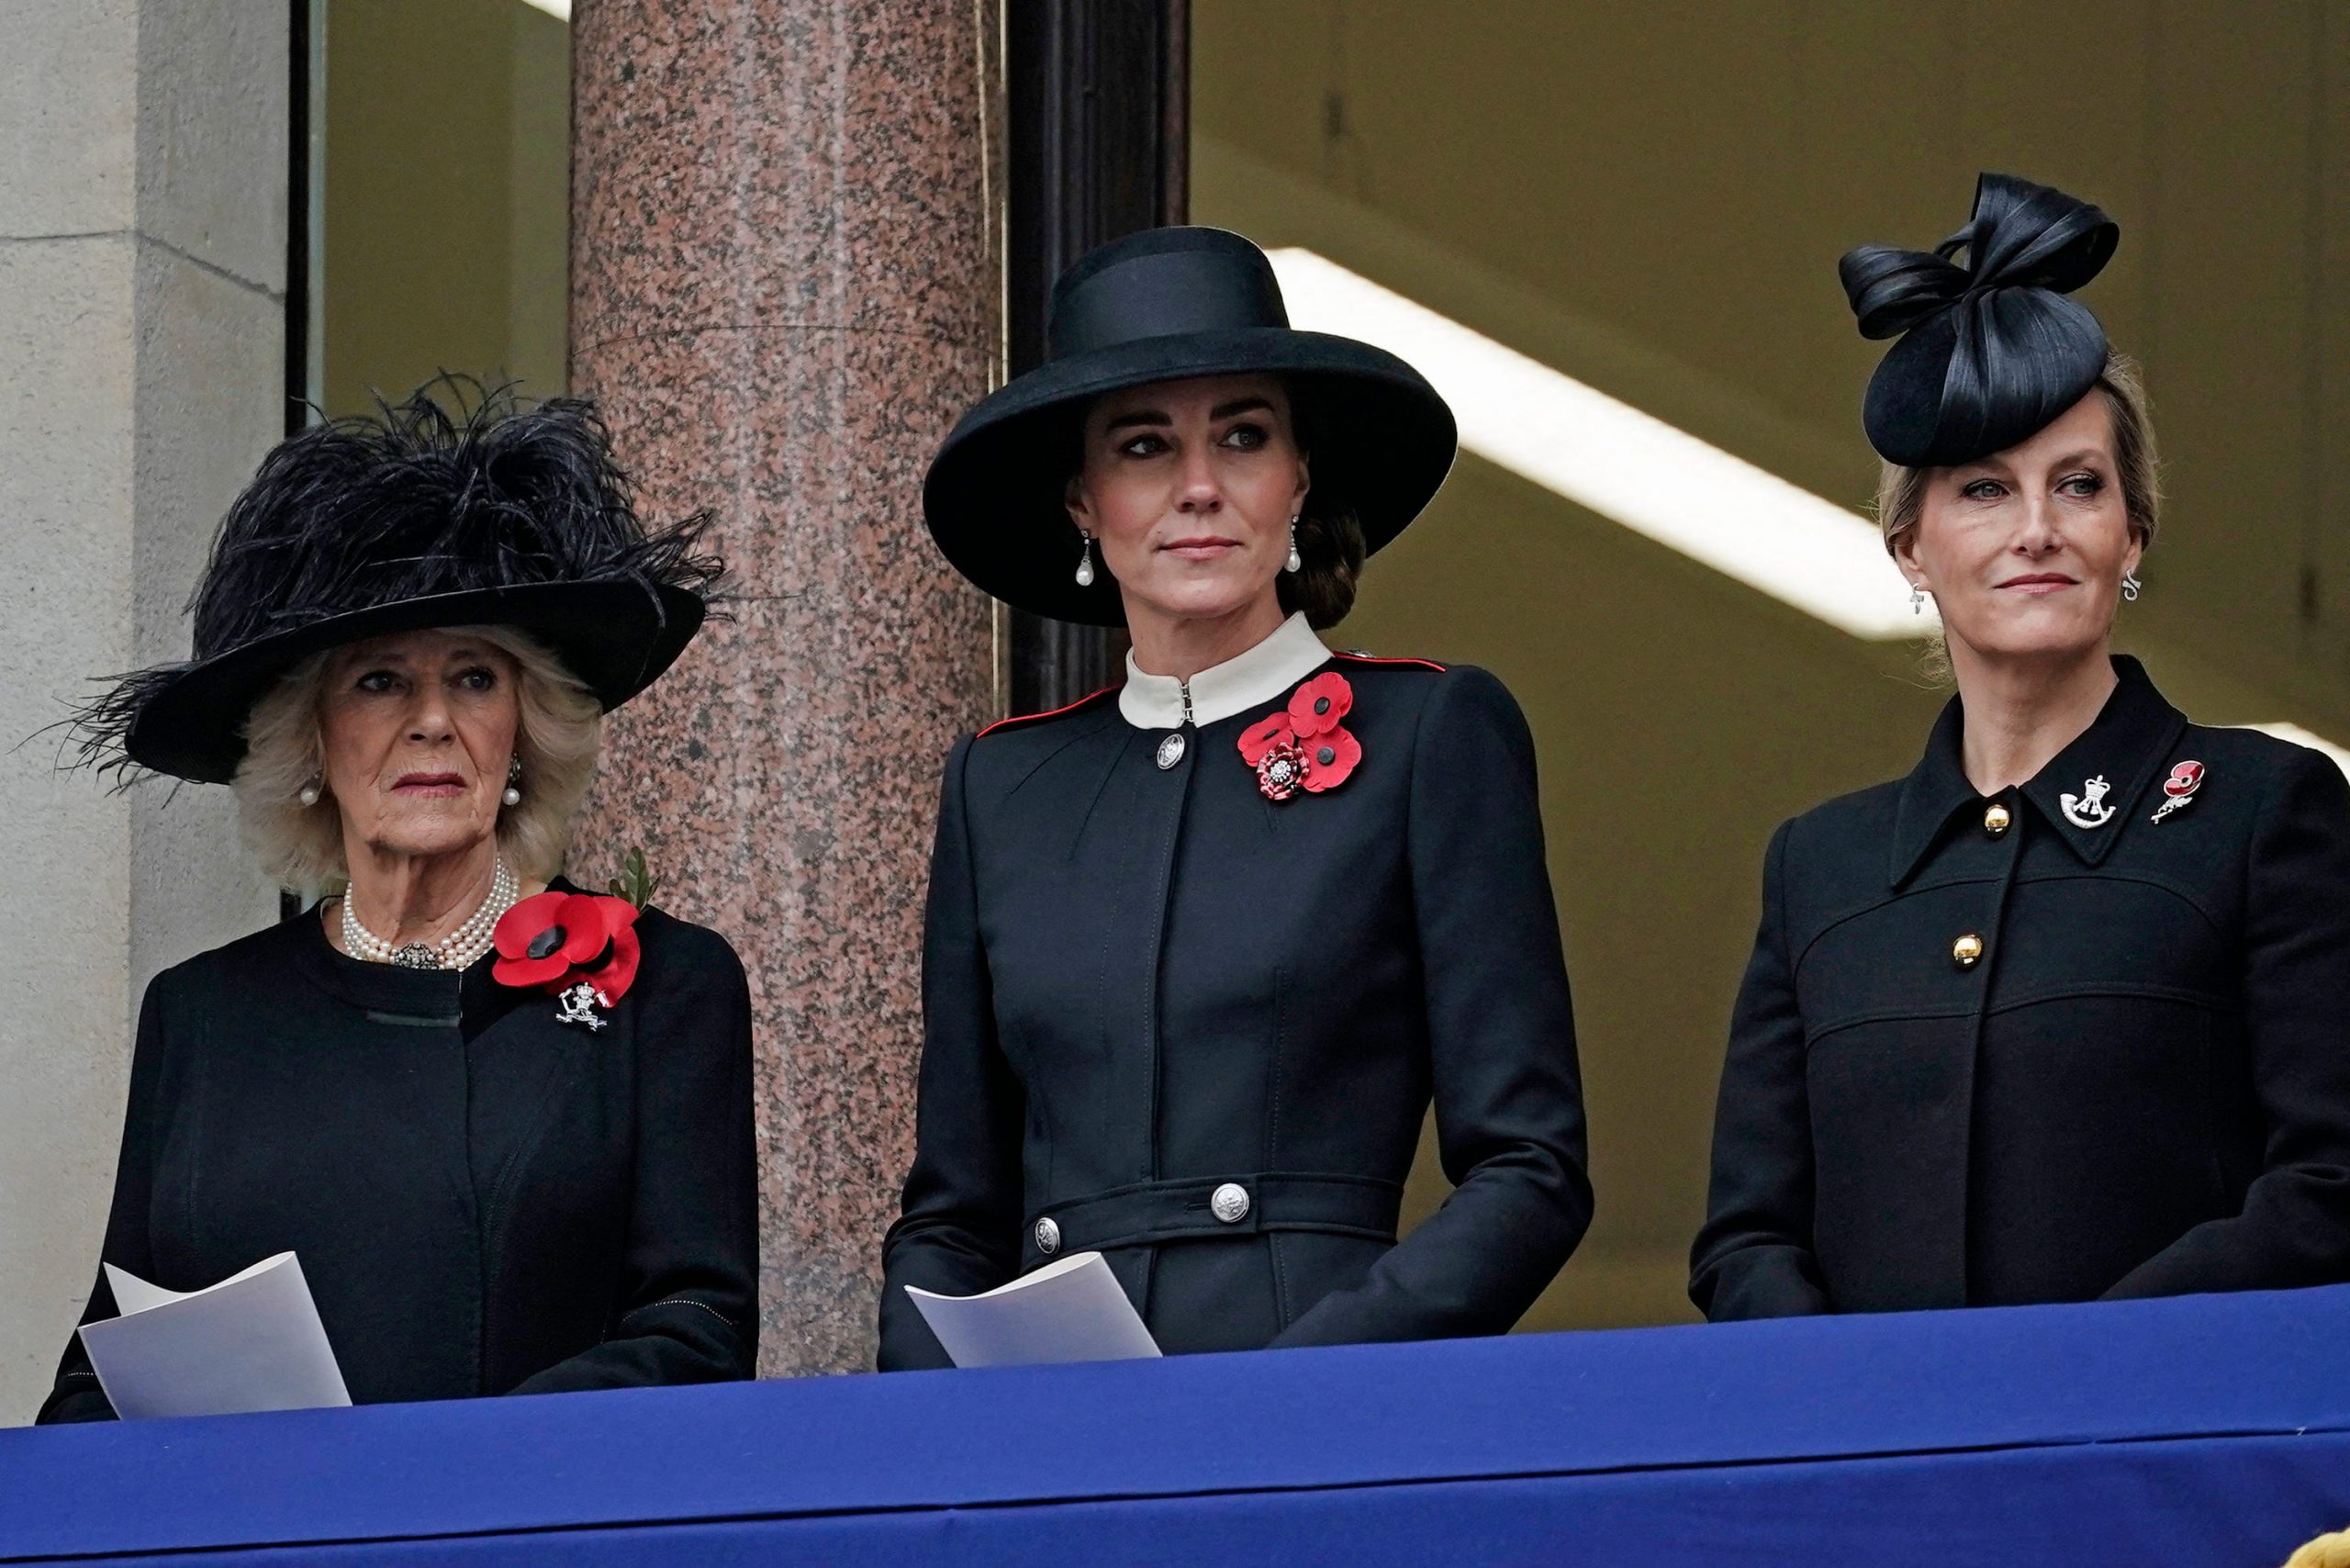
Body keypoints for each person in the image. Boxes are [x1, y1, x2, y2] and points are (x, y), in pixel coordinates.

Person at [879, 227, 1590, 1366]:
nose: (1199, 487)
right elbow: (951, 1211)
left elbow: (1530, 1169)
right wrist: (950, 1409)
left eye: (1243, 436)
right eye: (1145, 445)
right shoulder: (1001, 785)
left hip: (1317, 1410)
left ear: (1299, 476)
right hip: (1050, 1448)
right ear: (1081, 497)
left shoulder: (1427, 733)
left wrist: (1313, 1384)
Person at [1691, 174, 2350, 1319]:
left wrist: (2082, 1373)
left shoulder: (2265, 808)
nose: (2036, 528)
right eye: (1985, 489)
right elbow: (1746, 1235)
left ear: (2130, 531)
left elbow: (2332, 1180)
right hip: (1884, 1471)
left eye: (2078, 486)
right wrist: (1849, 1400)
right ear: (1909, 545)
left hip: (2163, 1461)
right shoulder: (1819, 868)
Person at [39, 384, 755, 1420]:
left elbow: (697, 1332)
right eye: (378, 681)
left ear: (523, 729)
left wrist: (433, 1477)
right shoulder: (199, 1015)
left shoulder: (664, 986)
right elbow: (99, 1375)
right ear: (311, 744)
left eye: (473, 677)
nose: (430, 721)